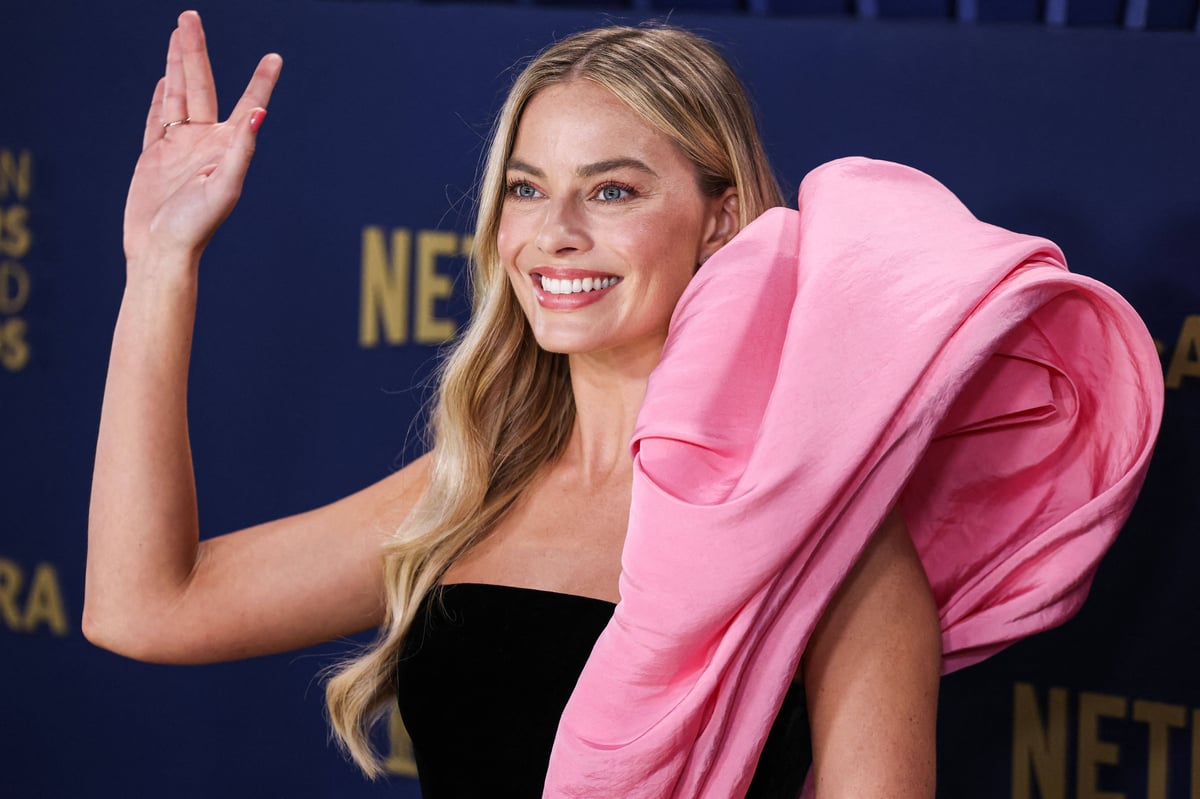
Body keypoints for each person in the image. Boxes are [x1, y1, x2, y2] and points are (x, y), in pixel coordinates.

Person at [86, 10, 1159, 799]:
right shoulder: (467, 490)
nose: (554, 233)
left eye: (612, 190)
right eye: (525, 186)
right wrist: (159, 265)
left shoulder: (837, 547)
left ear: (722, 217)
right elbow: (143, 605)